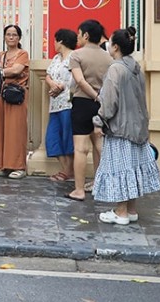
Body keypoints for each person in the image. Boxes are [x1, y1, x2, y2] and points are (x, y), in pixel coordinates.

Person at [94, 27, 160, 225]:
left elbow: (109, 102)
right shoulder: (136, 68)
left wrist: (99, 120)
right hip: (138, 127)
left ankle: (120, 212)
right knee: (132, 169)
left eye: (110, 42)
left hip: (120, 128)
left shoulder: (116, 68)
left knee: (120, 169)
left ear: (115, 47)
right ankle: (131, 210)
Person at [66, 19, 113, 203]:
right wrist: (100, 98)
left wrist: (94, 95)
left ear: (86, 35)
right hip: (102, 105)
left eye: (79, 34)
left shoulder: (77, 55)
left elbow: (79, 81)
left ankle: (78, 190)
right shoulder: (109, 58)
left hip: (83, 102)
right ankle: (98, 183)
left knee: (80, 148)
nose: (77, 37)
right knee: (99, 144)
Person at [0, 24, 30, 180]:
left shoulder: (23, 54)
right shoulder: (1, 55)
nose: (11, 37)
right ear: (4, 37)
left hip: (16, 96)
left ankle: (19, 166)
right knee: (1, 129)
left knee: (16, 130)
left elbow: (16, 70)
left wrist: (0, 72)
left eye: (14, 35)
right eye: (8, 34)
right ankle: (4, 165)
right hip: (1, 95)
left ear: (19, 37)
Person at [44, 29, 77, 183]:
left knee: (67, 138)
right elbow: (48, 75)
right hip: (55, 104)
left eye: (55, 40)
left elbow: (76, 78)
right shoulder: (56, 58)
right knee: (53, 137)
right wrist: (52, 84)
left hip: (68, 104)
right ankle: (66, 170)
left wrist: (61, 87)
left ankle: (67, 171)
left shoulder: (75, 57)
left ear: (61, 41)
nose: (54, 44)